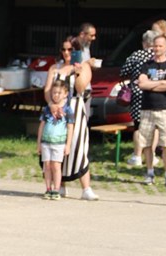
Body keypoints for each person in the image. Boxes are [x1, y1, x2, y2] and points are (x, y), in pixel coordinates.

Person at [43, 37, 97, 200]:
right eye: (64, 49)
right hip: (56, 109)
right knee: (57, 145)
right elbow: (47, 90)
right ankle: (60, 185)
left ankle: (86, 188)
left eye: (70, 50)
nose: (66, 53)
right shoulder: (55, 68)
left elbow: (80, 89)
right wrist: (51, 105)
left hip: (75, 108)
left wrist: (77, 72)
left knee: (77, 146)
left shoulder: (84, 66)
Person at [138, 34, 166, 187]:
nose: (157, 48)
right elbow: (142, 84)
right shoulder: (146, 65)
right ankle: (150, 172)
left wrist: (152, 84)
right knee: (147, 143)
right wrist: (162, 82)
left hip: (165, 109)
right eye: (155, 46)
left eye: (160, 46)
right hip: (147, 109)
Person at [122, 31, 156, 167]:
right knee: (153, 125)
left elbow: (124, 71)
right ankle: (152, 155)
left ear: (144, 42)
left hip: (137, 92)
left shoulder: (136, 55)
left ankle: (137, 155)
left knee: (138, 125)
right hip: (153, 92)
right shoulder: (158, 56)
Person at [37, 80, 75, 200]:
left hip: (59, 143)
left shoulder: (68, 110)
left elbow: (70, 127)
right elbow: (41, 126)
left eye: (59, 93)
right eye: (54, 92)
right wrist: (39, 143)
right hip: (46, 142)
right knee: (47, 166)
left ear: (65, 94)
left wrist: (68, 145)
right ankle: (48, 188)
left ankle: (56, 189)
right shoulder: (46, 109)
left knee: (56, 166)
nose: (56, 95)